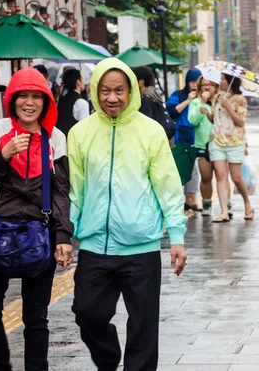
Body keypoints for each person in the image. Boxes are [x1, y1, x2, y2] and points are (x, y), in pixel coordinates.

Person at [68, 58, 188, 371]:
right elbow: (76, 189)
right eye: (105, 91)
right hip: (95, 245)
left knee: (144, 326)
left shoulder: (151, 132)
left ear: (131, 90)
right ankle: (108, 359)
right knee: (87, 313)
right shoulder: (80, 133)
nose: (112, 98)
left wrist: (176, 236)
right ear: (95, 91)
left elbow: (168, 186)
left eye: (119, 90)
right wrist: (66, 235)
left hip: (142, 244)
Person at [0, 67, 74, 371]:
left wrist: (63, 237)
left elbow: (61, 191)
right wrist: (2, 155)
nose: (29, 103)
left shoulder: (55, 136)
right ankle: (0, 366)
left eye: (36, 97)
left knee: (36, 317)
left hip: (38, 235)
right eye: (23, 96)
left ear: (46, 101)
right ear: (13, 99)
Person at [210, 73, 254, 223]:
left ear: (230, 81)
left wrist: (228, 106)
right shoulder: (217, 97)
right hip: (217, 141)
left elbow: (240, 122)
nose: (220, 81)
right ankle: (224, 212)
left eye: (222, 79)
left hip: (235, 142)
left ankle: (247, 202)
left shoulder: (240, 100)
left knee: (236, 178)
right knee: (221, 176)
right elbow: (215, 118)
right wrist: (207, 112)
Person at [166, 69, 202, 212]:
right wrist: (188, 100)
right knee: (180, 168)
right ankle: (181, 199)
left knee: (193, 169)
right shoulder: (178, 95)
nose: (194, 85)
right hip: (180, 136)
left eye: (197, 82)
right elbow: (172, 111)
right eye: (192, 82)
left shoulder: (203, 97)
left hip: (196, 137)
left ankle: (191, 198)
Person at [188, 75, 219, 216]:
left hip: (220, 144)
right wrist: (203, 102)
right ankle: (206, 203)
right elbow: (193, 120)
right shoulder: (195, 103)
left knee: (221, 176)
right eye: (204, 85)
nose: (207, 87)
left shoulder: (220, 103)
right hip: (202, 145)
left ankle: (227, 204)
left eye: (210, 84)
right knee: (206, 177)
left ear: (216, 87)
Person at [132, 66, 175, 140]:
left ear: (141, 82)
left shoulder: (145, 99)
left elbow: (145, 126)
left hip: (155, 139)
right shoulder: (153, 94)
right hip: (164, 137)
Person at [56, 68, 90, 137]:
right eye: (82, 80)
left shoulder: (61, 100)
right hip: (74, 143)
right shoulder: (81, 103)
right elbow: (84, 130)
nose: (84, 83)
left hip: (61, 141)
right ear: (78, 82)